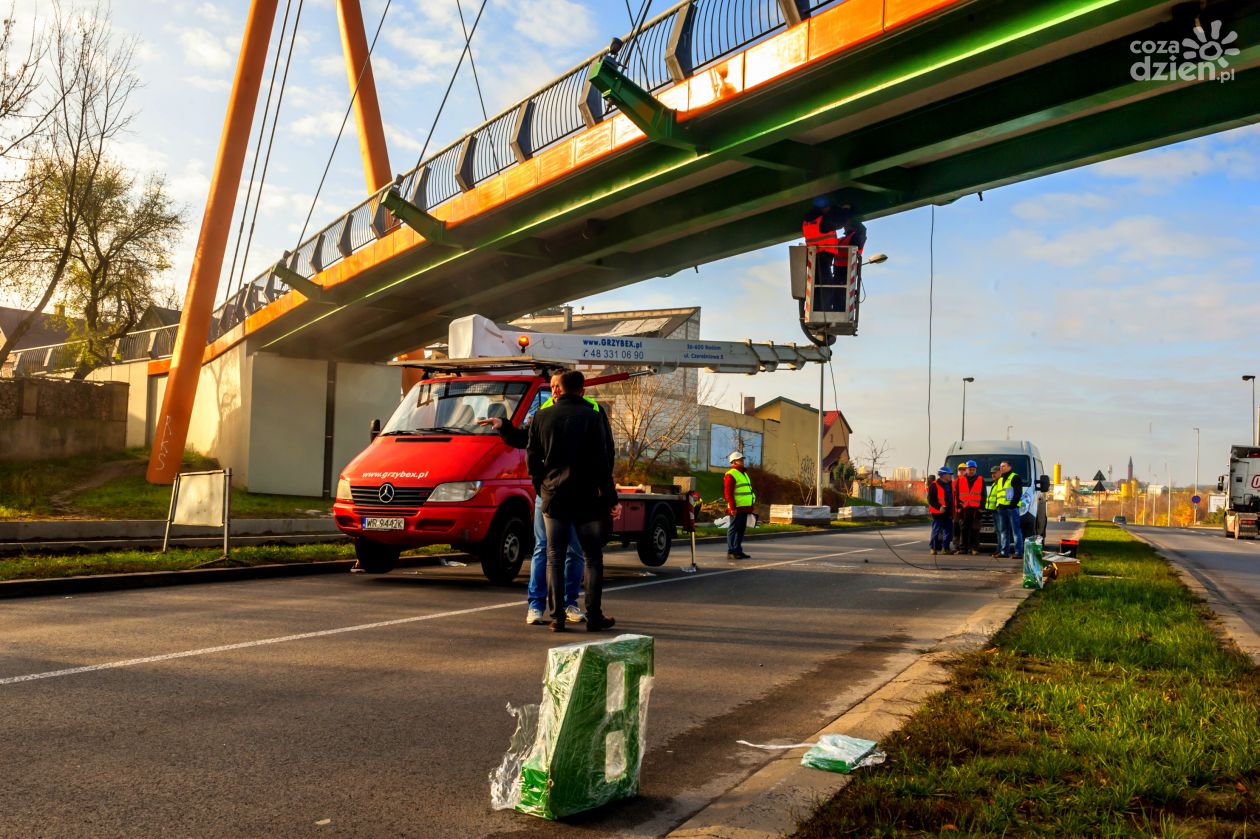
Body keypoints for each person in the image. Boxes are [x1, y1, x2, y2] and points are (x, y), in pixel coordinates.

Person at [478, 371, 589, 626]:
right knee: (543, 549)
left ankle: (570, 603)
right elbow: (528, 443)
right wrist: (504, 427)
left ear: (571, 388)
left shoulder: (590, 411)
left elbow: (603, 451)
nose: (554, 391)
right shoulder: (543, 412)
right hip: (549, 493)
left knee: (574, 550)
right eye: (551, 386)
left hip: (576, 493)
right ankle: (536, 606)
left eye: (556, 386)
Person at [526, 369, 621, 633]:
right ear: (582, 390)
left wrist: (541, 488)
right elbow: (604, 460)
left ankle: (556, 618)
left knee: (553, 556)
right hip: (587, 497)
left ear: (560, 388)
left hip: (554, 496)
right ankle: (593, 616)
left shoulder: (541, 417)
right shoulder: (593, 417)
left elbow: (532, 460)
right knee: (592, 557)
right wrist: (611, 497)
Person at [724, 451, 756, 560]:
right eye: (740, 459)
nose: (742, 461)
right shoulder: (731, 474)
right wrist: (732, 507)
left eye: (742, 459)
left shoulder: (744, 473)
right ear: (734, 462)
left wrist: (751, 503)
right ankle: (731, 551)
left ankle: (738, 550)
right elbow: (728, 493)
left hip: (745, 507)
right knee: (733, 529)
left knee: (741, 529)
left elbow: (749, 490)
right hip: (736, 508)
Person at [994, 460, 1025, 559]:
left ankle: (1018, 552)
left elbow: (1018, 493)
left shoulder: (1015, 477)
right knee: (1003, 531)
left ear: (1009, 467)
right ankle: (1004, 552)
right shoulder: (1000, 479)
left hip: (1012, 509)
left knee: (1016, 531)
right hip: (1001, 509)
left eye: (1003, 466)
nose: (1001, 468)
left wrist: (1012, 505)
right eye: (1000, 466)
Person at [953, 460, 983, 555]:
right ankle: (963, 549)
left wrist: (981, 507)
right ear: (966, 469)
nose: (971, 471)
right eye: (970, 469)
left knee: (975, 530)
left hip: (976, 509)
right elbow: (957, 495)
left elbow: (983, 495)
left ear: (975, 470)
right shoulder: (960, 480)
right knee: (964, 529)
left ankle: (974, 549)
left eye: (973, 469)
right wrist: (958, 507)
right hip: (964, 509)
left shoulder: (980, 479)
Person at [928, 466, 955, 555]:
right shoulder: (934, 485)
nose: (951, 476)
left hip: (948, 512)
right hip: (937, 512)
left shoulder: (951, 484)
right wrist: (939, 507)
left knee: (948, 531)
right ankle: (933, 548)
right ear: (943, 475)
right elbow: (931, 500)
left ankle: (945, 548)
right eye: (949, 474)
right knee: (936, 531)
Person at [985, 465, 1004, 557]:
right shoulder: (995, 483)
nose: (993, 475)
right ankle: (999, 549)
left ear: (1000, 472)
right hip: (995, 510)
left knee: (1002, 531)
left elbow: (1008, 495)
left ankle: (1002, 550)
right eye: (992, 473)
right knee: (998, 531)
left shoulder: (1002, 482)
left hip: (1001, 510)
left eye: (995, 473)